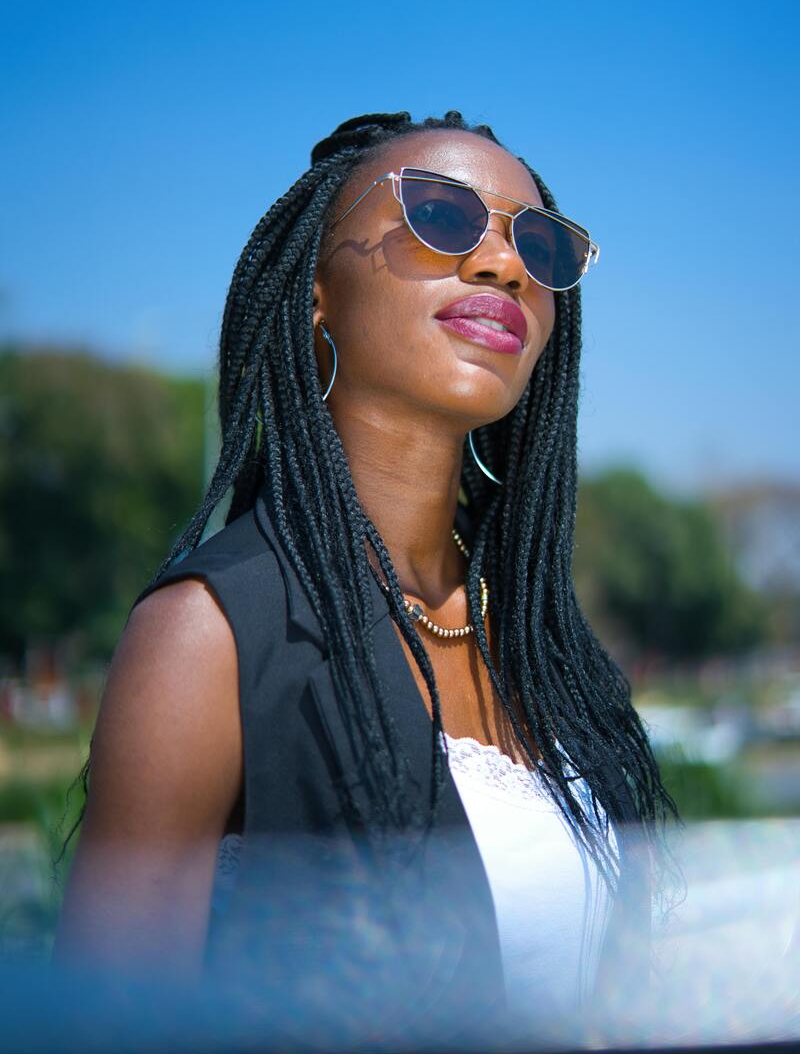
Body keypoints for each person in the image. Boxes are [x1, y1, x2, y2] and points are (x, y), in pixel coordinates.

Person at [53, 110, 681, 1048]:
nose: (504, 264)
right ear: (316, 290)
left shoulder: (539, 637)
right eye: (441, 214)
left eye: (541, 245)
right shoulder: (214, 633)